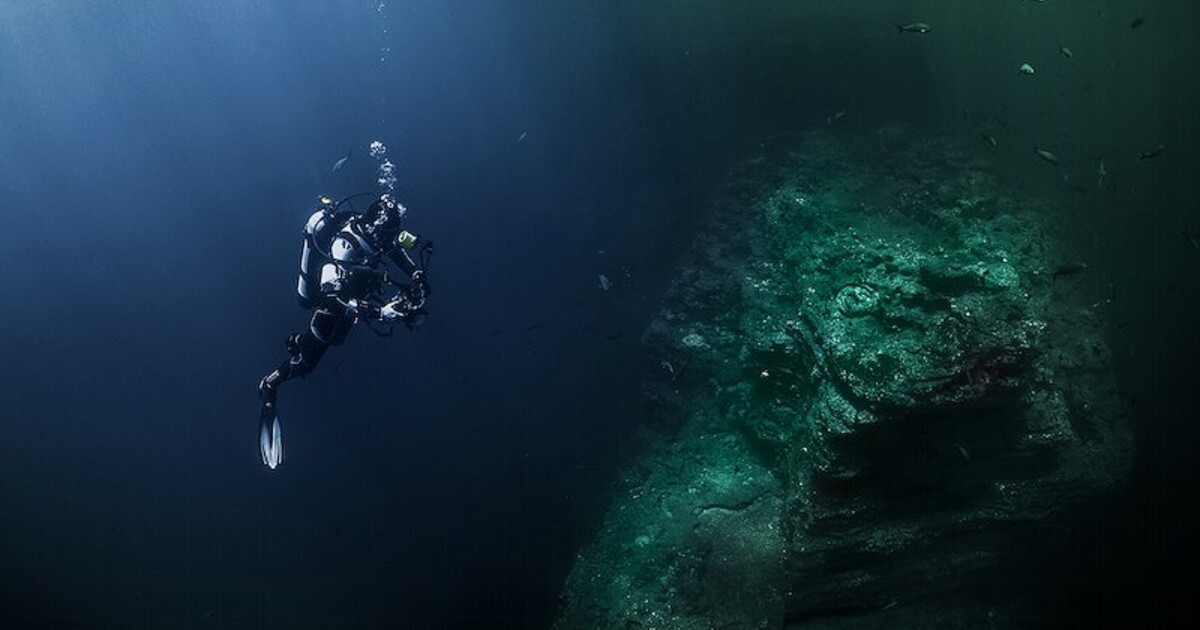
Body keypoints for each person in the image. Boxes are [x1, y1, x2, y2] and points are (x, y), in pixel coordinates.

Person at [257, 193, 433, 468]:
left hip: (352, 295)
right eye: (386, 235)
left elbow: (394, 250)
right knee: (309, 359)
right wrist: (380, 312)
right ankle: (270, 385)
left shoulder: (378, 236)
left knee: (337, 338)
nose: (388, 241)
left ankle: (298, 342)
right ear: (374, 228)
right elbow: (332, 296)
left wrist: (416, 275)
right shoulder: (345, 245)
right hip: (333, 301)